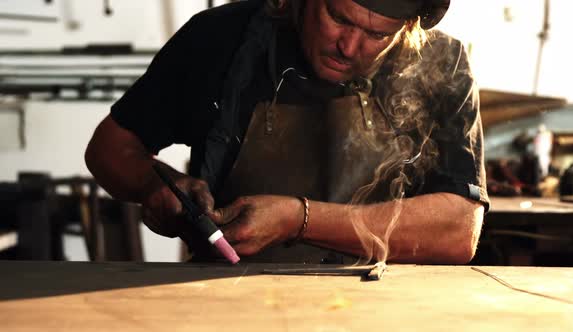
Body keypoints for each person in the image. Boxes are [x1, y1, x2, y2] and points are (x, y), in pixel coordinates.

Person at [85, 0, 489, 264]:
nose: (348, 46)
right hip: (227, 303)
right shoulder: (220, 39)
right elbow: (110, 148)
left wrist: (300, 219)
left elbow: (458, 232)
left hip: (383, 309)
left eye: (377, 35)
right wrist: (159, 185)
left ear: (406, 28)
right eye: (338, 18)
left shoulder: (443, 65)